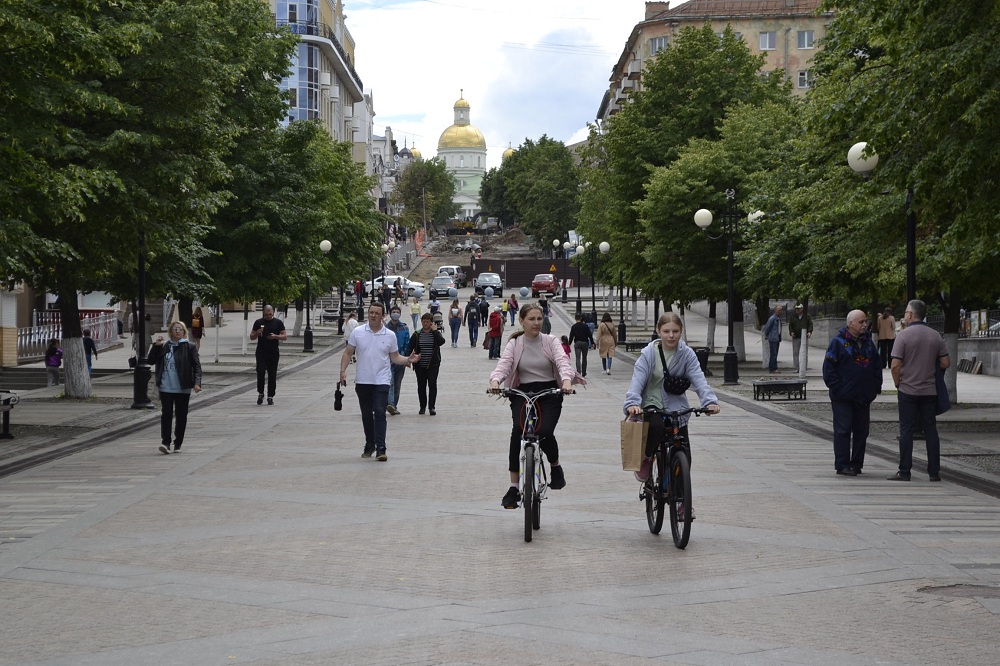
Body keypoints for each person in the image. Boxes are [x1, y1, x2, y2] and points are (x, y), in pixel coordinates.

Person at [489, 303, 578, 509]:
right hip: (522, 391)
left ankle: (555, 467)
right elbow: (504, 365)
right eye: (531, 319)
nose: (536, 323)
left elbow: (562, 361)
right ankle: (513, 487)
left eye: (539, 319)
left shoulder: (550, 341)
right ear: (521, 320)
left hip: (549, 392)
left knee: (545, 430)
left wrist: (566, 381)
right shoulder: (515, 343)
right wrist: (495, 381)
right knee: (518, 431)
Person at [623, 312, 720, 497]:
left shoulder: (686, 354)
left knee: (684, 454)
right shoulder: (648, 354)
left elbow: (699, 379)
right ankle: (647, 457)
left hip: (676, 407)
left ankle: (682, 502)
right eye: (666, 331)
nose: (671, 335)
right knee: (657, 427)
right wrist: (633, 403)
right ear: (659, 331)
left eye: (675, 331)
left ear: (681, 331)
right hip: (651, 404)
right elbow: (637, 381)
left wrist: (709, 402)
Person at [340, 303, 420, 461]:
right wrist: (342, 371)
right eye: (371, 312)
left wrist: (408, 360)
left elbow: (395, 356)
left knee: (380, 412)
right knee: (366, 415)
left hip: (382, 380)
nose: (373, 315)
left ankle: (381, 448)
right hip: (363, 381)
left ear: (383, 316)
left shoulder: (389, 335)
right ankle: (369, 444)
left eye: (377, 313)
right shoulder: (358, 332)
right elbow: (348, 352)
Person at [888, 299, 950, 482]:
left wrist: (898, 383)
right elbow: (946, 362)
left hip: (908, 390)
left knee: (906, 430)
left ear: (910, 315)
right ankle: (934, 472)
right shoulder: (935, 335)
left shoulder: (903, 336)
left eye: (906, 312)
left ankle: (905, 471)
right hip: (929, 391)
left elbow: (895, 366)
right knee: (931, 430)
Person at [822, 310, 883, 476]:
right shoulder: (838, 342)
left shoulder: (869, 343)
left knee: (862, 432)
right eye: (861, 322)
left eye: (865, 321)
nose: (865, 325)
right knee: (843, 430)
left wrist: (875, 388)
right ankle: (842, 465)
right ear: (850, 324)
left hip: (863, 396)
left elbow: (877, 367)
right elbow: (829, 369)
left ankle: (857, 464)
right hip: (843, 397)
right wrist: (838, 389)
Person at [147, 321, 202, 455]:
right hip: (166, 386)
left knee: (181, 416)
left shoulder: (189, 346)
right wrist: (156, 346)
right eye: (175, 329)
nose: (177, 331)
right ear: (171, 331)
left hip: (183, 387)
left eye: (180, 329)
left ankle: (178, 443)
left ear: (184, 332)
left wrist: (197, 382)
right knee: (166, 414)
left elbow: (197, 366)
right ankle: (165, 442)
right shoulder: (164, 346)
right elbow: (150, 361)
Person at [406, 313, 446, 415]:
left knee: (432, 385)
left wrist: (435, 330)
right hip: (420, 365)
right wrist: (407, 359)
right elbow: (410, 347)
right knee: (421, 385)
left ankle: (431, 407)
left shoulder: (435, 333)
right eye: (424, 321)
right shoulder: (417, 334)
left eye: (428, 322)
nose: (425, 324)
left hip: (433, 364)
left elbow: (441, 342)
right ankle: (422, 406)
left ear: (431, 322)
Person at [250, 305, 287, 405]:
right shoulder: (258, 322)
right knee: (260, 371)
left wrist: (275, 336)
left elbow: (285, 336)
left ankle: (270, 395)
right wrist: (257, 333)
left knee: (272, 374)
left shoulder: (278, 323)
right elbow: (251, 337)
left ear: (273, 313)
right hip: (261, 351)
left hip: (273, 352)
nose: (268, 316)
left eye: (270, 314)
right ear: (263, 313)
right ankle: (260, 392)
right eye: (266, 315)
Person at [385, 305, 410, 415]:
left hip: (400, 360)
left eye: (397, 311)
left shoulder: (404, 327)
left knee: (397, 384)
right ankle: (390, 404)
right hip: (388, 361)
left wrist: (405, 358)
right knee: (390, 383)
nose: (395, 313)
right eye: (393, 311)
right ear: (390, 314)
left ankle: (394, 405)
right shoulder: (385, 328)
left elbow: (407, 344)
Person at [787, 304, 812, 373]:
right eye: (796, 309)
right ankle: (796, 368)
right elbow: (790, 325)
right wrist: (791, 332)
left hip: (804, 337)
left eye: (798, 309)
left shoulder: (807, 316)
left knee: (804, 353)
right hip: (796, 337)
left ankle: (804, 368)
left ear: (802, 309)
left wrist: (809, 332)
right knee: (795, 353)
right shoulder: (793, 317)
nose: (797, 310)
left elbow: (810, 324)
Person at [568, 312, 595, 377]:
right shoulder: (585, 326)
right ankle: (584, 372)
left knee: (578, 358)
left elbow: (571, 336)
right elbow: (589, 335)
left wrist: (569, 344)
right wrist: (592, 343)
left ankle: (578, 372)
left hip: (577, 343)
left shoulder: (574, 327)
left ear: (575, 318)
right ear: (581, 318)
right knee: (584, 358)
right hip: (585, 343)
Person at [763, 305, 783, 373]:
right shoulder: (772, 318)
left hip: (777, 338)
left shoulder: (778, 319)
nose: (780, 312)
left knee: (775, 354)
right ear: (775, 310)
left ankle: (774, 367)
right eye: (779, 310)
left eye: (781, 310)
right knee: (773, 354)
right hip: (773, 338)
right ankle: (773, 368)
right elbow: (767, 328)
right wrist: (767, 335)